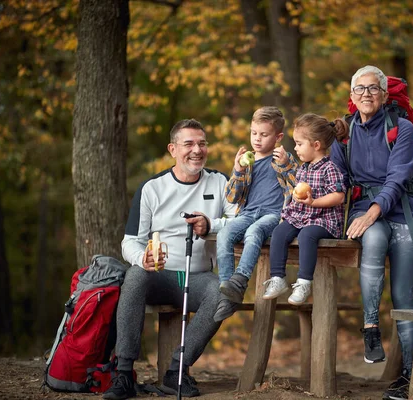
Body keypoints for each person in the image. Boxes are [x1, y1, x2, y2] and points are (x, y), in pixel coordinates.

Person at [103, 119, 237, 400]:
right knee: (135, 274)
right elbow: (129, 242)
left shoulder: (221, 182)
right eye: (188, 144)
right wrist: (143, 258)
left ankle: (177, 371)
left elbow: (239, 222)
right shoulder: (152, 188)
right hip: (159, 275)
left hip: (200, 276)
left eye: (202, 143)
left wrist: (210, 225)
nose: (197, 150)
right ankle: (124, 374)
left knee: (223, 293)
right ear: (172, 149)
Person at [330, 65, 413, 400]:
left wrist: (373, 211)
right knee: (372, 239)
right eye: (360, 89)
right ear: (351, 95)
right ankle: (371, 327)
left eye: (374, 89)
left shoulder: (401, 129)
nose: (367, 94)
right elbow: (335, 179)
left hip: (405, 214)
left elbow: (399, 177)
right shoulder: (343, 134)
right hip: (363, 211)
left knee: (403, 295)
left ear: (385, 95)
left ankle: (410, 376)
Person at [213, 107, 298, 322]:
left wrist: (286, 165)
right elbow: (231, 197)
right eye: (254, 133)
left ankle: (240, 280)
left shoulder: (284, 159)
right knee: (224, 234)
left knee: (254, 232)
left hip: (272, 214)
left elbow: (299, 187)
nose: (257, 139)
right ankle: (227, 291)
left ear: (278, 137)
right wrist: (238, 171)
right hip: (248, 212)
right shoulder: (246, 163)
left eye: (264, 134)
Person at [262, 113, 347, 305]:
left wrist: (313, 202)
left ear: (316, 145)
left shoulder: (330, 168)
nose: (296, 148)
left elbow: (339, 196)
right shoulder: (303, 168)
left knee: (306, 236)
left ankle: (304, 282)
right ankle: (277, 278)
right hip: (302, 216)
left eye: (300, 144)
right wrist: (293, 203)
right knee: (280, 232)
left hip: (324, 220)